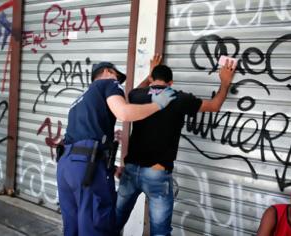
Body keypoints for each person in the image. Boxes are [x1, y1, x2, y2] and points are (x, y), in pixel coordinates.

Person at [115, 59, 236, 236]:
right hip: (157, 174)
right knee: (160, 232)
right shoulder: (179, 98)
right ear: (171, 83)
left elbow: (137, 90)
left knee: (113, 221)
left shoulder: (137, 95)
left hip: (131, 171)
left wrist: (150, 77)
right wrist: (225, 82)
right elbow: (215, 105)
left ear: (152, 78)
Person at [56, 60, 176, 236]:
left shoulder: (81, 98)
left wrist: (110, 168)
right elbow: (124, 112)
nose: (118, 82)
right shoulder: (108, 84)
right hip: (87, 168)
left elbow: (85, 141)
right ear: (107, 71)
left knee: (73, 227)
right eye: (117, 77)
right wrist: (158, 104)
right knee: (96, 225)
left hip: (66, 166)